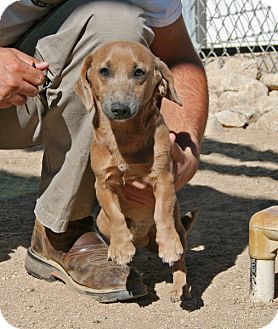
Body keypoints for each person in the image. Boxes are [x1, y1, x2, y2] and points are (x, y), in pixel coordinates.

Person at [0, 0, 208, 302]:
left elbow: (177, 56)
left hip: (25, 93)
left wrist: (184, 146)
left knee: (116, 21)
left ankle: (62, 228)